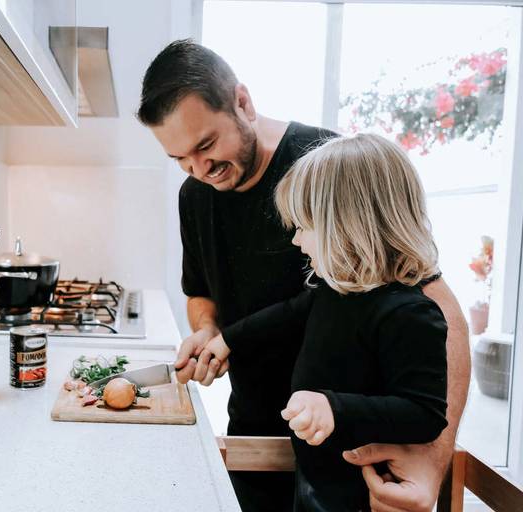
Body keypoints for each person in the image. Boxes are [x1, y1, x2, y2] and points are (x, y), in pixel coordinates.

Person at [137, 39, 470, 512]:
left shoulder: (327, 168)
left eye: (207, 145)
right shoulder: (194, 194)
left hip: (357, 457)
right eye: (180, 160)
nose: (199, 169)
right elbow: (202, 294)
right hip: (259, 434)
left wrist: (433, 462)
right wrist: (211, 332)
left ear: (243, 103)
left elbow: (438, 309)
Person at [201, 133, 449, 510]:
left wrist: (334, 408)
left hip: (362, 495)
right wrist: (227, 340)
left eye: (303, 227)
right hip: (314, 479)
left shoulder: (409, 314)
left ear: (348, 227)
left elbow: (425, 413)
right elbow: (285, 316)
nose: (298, 241)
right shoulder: (336, 293)